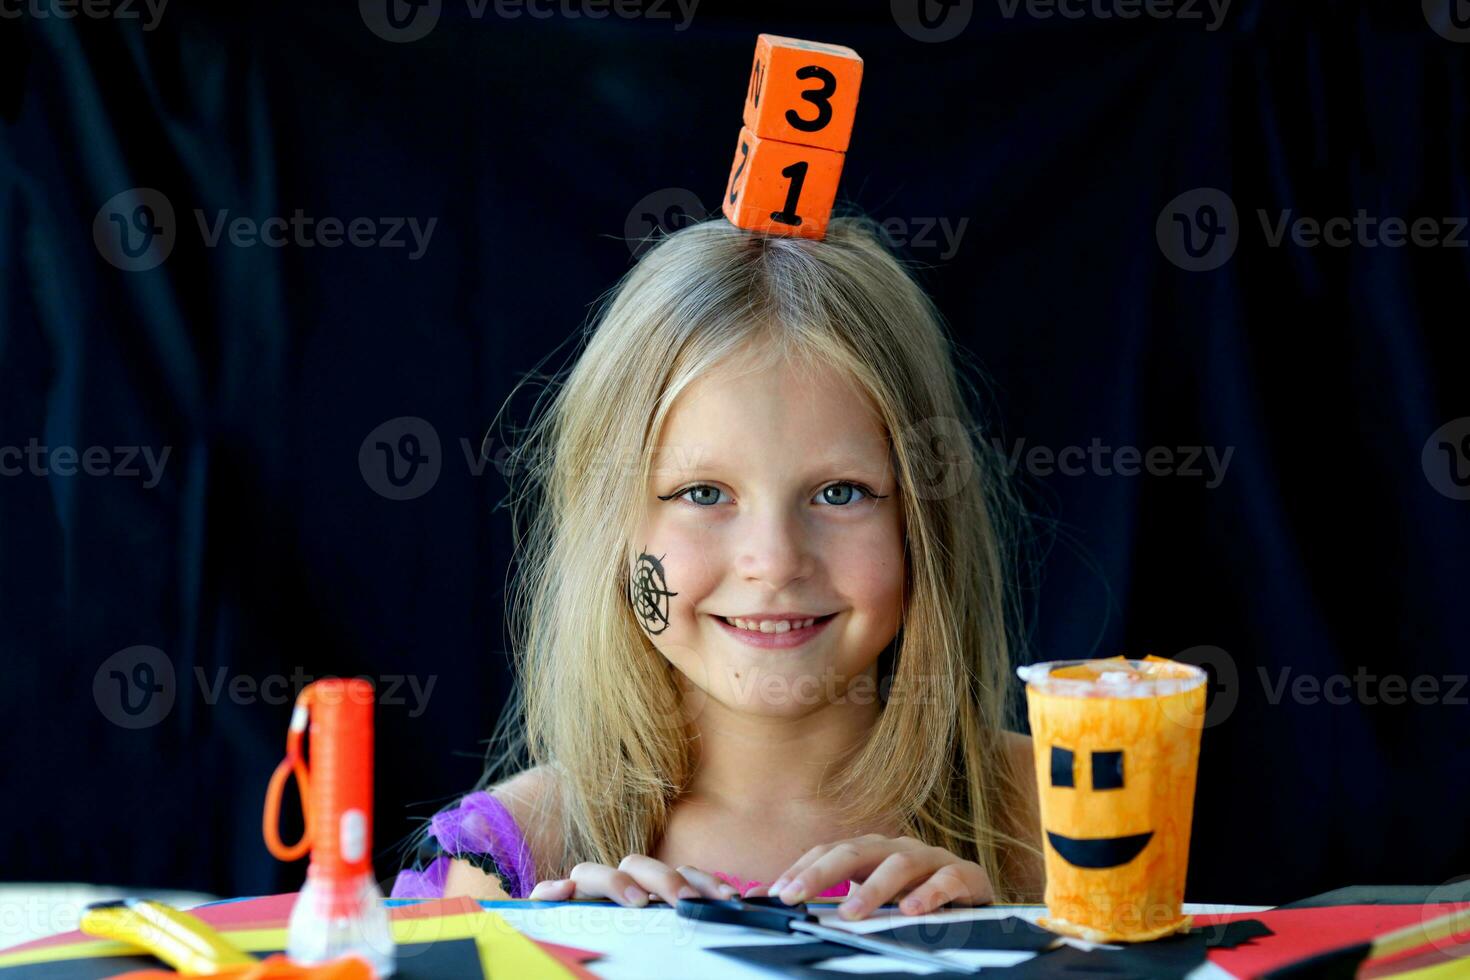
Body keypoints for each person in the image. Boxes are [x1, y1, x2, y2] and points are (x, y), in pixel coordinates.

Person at [391, 214, 1045, 921]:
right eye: (702, 494)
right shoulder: (508, 859)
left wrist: (1010, 948)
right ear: (610, 526)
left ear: (923, 520)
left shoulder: (1061, 814)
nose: (774, 561)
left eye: (840, 492)